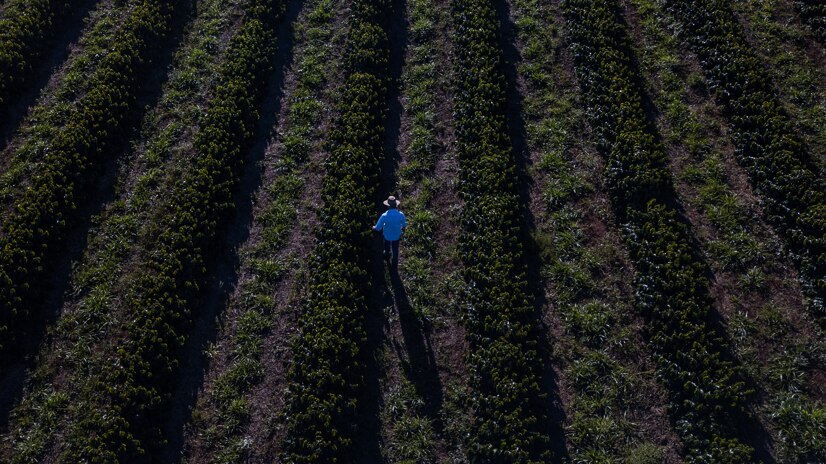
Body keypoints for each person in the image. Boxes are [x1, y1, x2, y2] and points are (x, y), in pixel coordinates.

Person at [373, 195, 407, 266]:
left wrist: (373, 227)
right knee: (395, 248)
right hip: (396, 235)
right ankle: (395, 260)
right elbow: (404, 224)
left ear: (388, 206)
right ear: (396, 205)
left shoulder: (384, 216)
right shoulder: (400, 215)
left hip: (387, 236)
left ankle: (387, 255)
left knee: (387, 246)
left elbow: (378, 227)